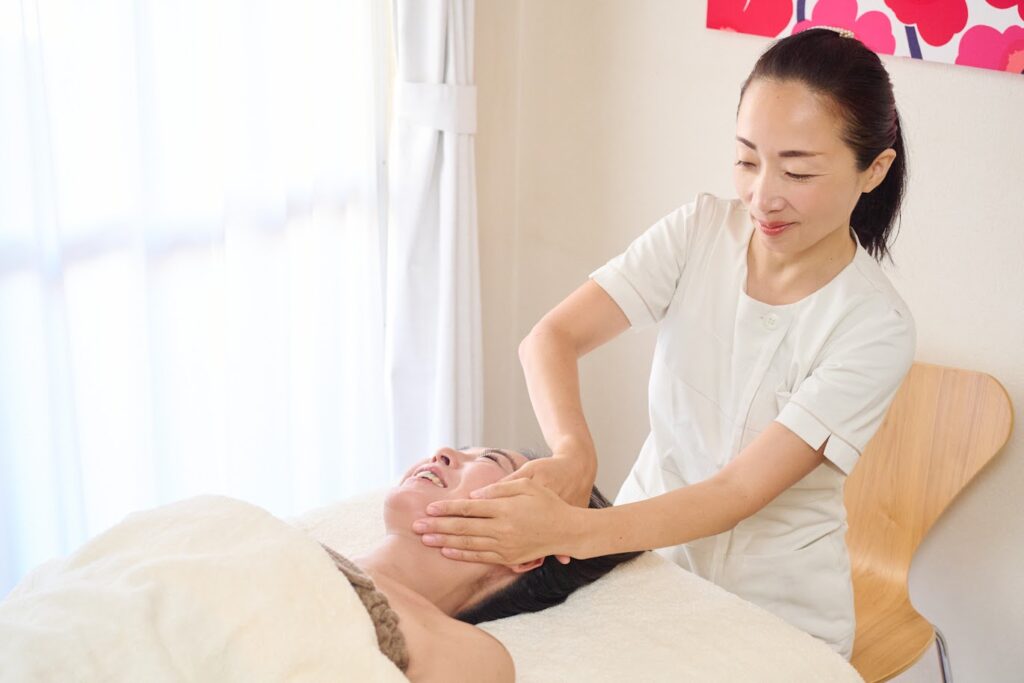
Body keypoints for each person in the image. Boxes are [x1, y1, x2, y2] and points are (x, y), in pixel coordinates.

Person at [411, 27, 917, 660]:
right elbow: (551, 338)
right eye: (747, 160)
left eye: (797, 171)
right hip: (641, 568)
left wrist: (569, 528)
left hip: (774, 612)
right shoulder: (700, 230)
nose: (763, 196)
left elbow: (735, 494)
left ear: (874, 170)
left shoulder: (874, 326)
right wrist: (574, 454)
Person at [352, 446, 641, 681]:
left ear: (528, 553)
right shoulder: (323, 555)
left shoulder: (469, 657)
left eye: (489, 459)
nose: (442, 452)